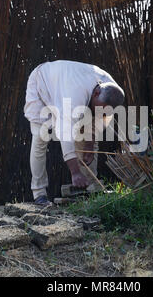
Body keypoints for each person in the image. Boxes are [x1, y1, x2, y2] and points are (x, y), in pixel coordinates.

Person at [24, 60, 125, 206]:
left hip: (69, 87)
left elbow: (99, 119)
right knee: (41, 137)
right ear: (96, 93)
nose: (100, 112)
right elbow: (65, 133)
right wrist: (75, 172)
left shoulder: (111, 90)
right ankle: (39, 194)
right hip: (43, 83)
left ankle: (90, 189)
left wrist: (89, 145)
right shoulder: (73, 96)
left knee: (87, 141)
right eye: (99, 108)